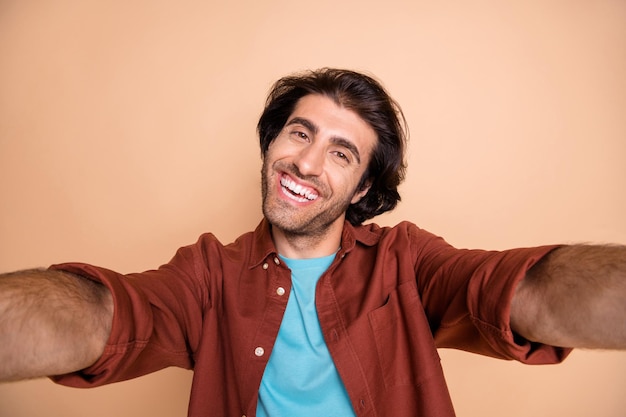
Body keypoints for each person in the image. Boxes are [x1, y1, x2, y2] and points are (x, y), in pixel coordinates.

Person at [0, 68, 625, 417]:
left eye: (341, 152)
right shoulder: (209, 271)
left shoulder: (405, 262)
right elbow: (106, 316)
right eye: (299, 133)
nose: (304, 163)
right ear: (273, 143)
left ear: (360, 190)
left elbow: (520, 291)